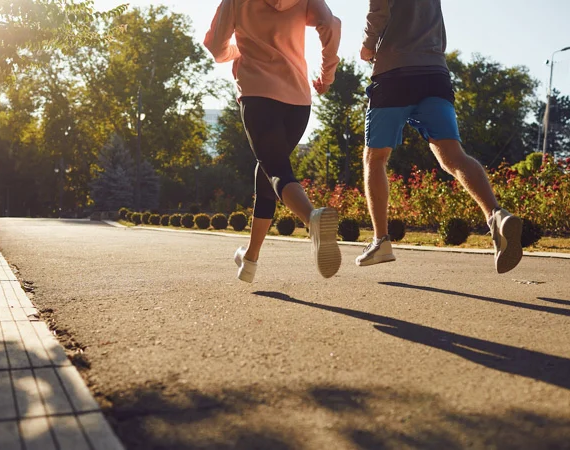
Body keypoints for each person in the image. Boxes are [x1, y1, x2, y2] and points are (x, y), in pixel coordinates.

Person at [355, 0, 524, 274]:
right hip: (435, 73)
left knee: (375, 158)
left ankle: (381, 240)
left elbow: (379, 11)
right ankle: (496, 215)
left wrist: (368, 44)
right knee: (454, 156)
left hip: (394, 73)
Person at [204, 0, 343, 283]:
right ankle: (251, 257)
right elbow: (331, 24)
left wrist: (237, 51)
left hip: (258, 94)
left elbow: (217, 47)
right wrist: (326, 75)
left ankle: (311, 218)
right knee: (268, 170)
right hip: (298, 101)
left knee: (276, 169)